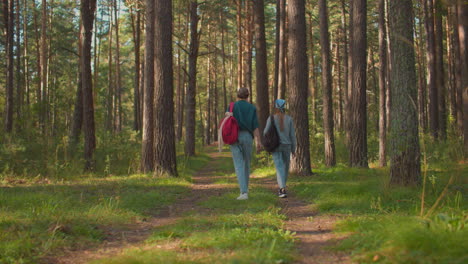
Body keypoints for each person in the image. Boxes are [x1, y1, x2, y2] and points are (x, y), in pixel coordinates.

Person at [229, 87, 261, 200]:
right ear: (248, 96)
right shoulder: (252, 107)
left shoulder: (232, 106)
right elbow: (255, 126)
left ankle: (243, 192)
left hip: (234, 136)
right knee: (246, 164)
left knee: (238, 164)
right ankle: (245, 191)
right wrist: (258, 141)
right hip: (247, 137)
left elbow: (227, 122)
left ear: (238, 95)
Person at [263, 99, 296, 198]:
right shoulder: (289, 119)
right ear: (284, 107)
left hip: (275, 146)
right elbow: (292, 136)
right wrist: (293, 149)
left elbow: (265, 132)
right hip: (287, 146)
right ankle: (282, 187)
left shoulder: (271, 118)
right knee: (285, 168)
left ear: (275, 107)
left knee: (279, 167)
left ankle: (282, 189)